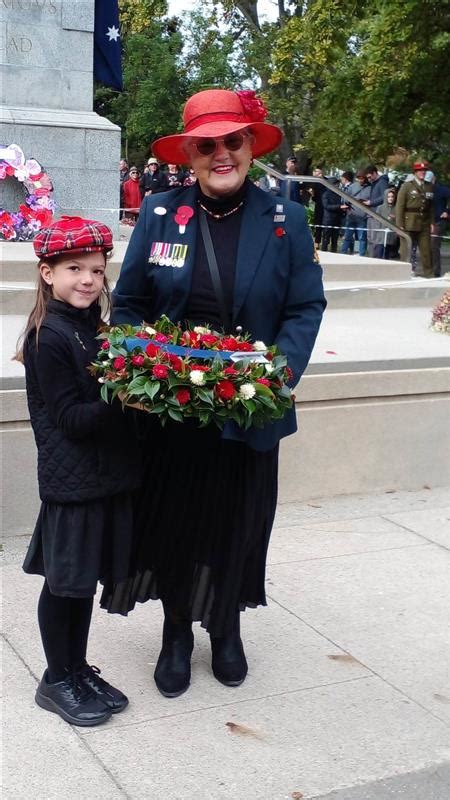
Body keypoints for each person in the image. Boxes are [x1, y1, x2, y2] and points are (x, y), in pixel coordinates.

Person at [108, 88, 326, 698]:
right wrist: (142, 361)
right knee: (175, 521)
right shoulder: (158, 213)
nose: (221, 154)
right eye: (208, 145)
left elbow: (305, 306)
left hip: (250, 410)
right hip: (174, 414)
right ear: (191, 153)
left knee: (239, 523)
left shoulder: (286, 219)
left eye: (233, 141)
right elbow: (129, 304)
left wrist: (277, 373)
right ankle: (176, 630)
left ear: (251, 146)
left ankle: (225, 625)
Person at [17, 217, 141, 726]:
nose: (89, 279)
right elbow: (70, 418)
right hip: (73, 485)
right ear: (48, 274)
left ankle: (76, 667)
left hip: (102, 478)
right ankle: (55, 678)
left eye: (97, 269)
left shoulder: (93, 328)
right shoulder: (49, 336)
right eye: (74, 269)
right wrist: (127, 398)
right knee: (64, 585)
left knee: (82, 584)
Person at [396, 160, 434, 277]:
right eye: (420, 171)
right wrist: (399, 224)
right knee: (405, 250)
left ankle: (429, 274)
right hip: (409, 222)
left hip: (424, 222)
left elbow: (431, 206)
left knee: (426, 250)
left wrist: (432, 222)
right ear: (415, 172)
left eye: (424, 171)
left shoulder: (429, 186)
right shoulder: (407, 186)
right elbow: (400, 206)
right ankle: (402, 274)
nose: (422, 172)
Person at [340, 169, 370, 256]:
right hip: (352, 216)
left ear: (365, 178)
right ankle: (343, 253)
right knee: (347, 236)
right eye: (358, 178)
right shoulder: (352, 187)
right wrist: (347, 205)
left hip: (363, 217)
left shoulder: (370, 188)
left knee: (361, 238)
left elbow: (371, 201)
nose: (360, 180)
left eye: (362, 178)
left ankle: (361, 254)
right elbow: (346, 198)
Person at [427, 171, 450, 277]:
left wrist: (447, 211)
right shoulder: (423, 190)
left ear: (434, 179)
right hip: (427, 221)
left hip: (439, 221)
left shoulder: (442, 190)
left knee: (433, 245)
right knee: (426, 245)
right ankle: (428, 269)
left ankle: (435, 272)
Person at [364, 164, 389, 256]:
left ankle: (375, 258)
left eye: (370, 177)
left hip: (377, 214)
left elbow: (384, 196)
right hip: (371, 213)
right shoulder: (374, 183)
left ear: (375, 173)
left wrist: (371, 202)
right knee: (370, 238)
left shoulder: (382, 182)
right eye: (368, 178)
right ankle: (371, 257)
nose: (369, 179)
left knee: (375, 239)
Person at [373, 188, 399, 259]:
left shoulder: (397, 208)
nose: (390, 198)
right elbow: (376, 221)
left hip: (391, 237)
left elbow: (398, 222)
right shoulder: (380, 208)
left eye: (392, 197)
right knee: (379, 254)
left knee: (387, 256)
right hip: (381, 236)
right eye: (388, 197)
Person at [321, 176, 344, 252]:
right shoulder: (326, 194)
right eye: (336, 183)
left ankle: (334, 254)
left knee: (335, 241)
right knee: (325, 240)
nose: (338, 185)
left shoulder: (338, 194)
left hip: (337, 220)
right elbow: (326, 206)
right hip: (328, 220)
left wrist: (343, 210)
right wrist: (339, 206)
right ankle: (323, 253)